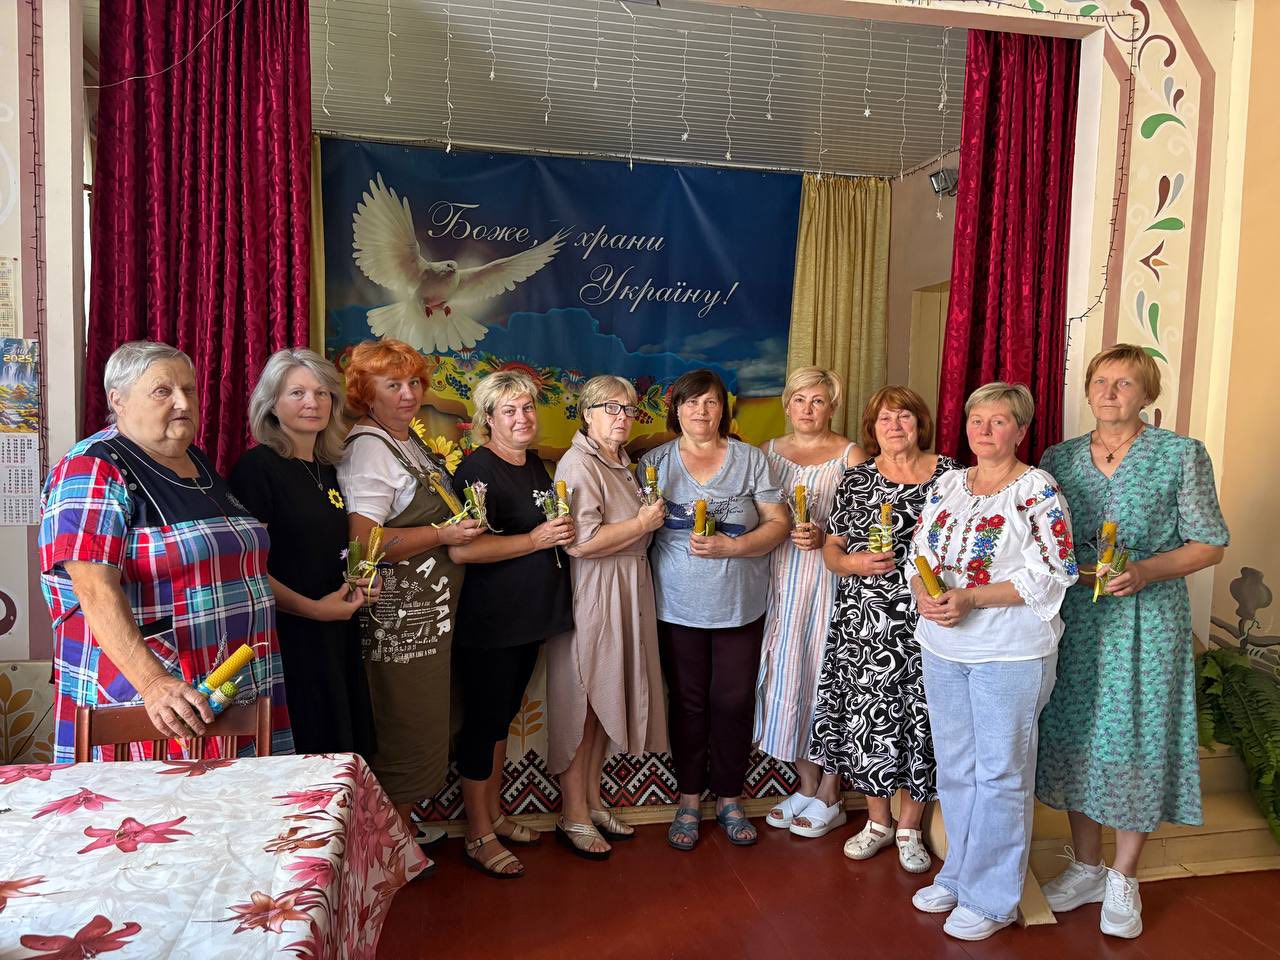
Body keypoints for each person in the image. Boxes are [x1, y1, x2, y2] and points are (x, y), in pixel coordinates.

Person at [1035, 344, 1228, 939]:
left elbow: (1209, 544)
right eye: (1100, 381)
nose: (1109, 392)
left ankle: (1124, 876)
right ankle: (1086, 866)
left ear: (1147, 394)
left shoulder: (1180, 454)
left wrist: (1145, 570)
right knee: (1077, 731)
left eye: (1124, 383)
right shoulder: (1058, 458)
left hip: (1147, 617)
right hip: (1078, 616)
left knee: (1135, 736)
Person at [38, 340, 292, 761]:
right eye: (162, 391)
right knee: (157, 802)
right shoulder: (93, 468)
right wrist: (153, 683)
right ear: (117, 400)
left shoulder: (195, 460)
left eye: (188, 389)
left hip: (232, 681)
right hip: (153, 696)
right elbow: (94, 590)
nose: (183, 402)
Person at [906, 382, 1077, 942]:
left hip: (1011, 653)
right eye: (976, 420)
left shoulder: (1036, 490)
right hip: (943, 647)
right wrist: (923, 592)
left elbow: (1055, 572)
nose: (983, 430)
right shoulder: (948, 484)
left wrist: (973, 598)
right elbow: (919, 553)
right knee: (956, 767)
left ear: (1020, 431)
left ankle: (993, 896)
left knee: (1001, 773)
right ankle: (959, 873)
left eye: (998, 421)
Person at [336, 339, 484, 851]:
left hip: (429, 618)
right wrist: (443, 534)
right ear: (365, 392)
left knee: (426, 725)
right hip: (398, 625)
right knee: (403, 730)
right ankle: (386, 852)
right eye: (392, 385)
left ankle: (397, 836)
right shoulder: (369, 449)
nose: (408, 394)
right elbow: (364, 544)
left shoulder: (403, 439)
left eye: (414, 383)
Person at [809, 386, 961, 868]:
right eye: (884, 419)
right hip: (867, 618)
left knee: (923, 717)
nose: (895, 426)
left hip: (931, 615)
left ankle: (910, 828)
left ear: (921, 423)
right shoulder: (857, 479)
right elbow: (831, 550)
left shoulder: (952, 476)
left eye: (904, 417)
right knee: (870, 717)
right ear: (873, 430)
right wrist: (852, 563)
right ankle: (878, 823)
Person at [639, 369, 790, 852]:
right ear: (676, 409)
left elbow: (778, 523)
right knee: (687, 702)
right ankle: (687, 799)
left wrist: (733, 547)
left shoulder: (751, 460)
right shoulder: (654, 462)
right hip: (676, 606)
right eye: (691, 402)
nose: (701, 411)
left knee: (733, 700)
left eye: (710, 402)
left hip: (740, 605)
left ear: (724, 408)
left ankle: (729, 798)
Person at [448, 370, 575, 878]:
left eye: (527, 408)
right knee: (484, 724)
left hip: (528, 618)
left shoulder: (534, 465)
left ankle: (495, 814)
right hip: (492, 622)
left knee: (501, 720)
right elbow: (464, 549)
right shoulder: (477, 471)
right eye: (509, 411)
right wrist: (534, 540)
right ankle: (477, 832)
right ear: (488, 419)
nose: (522, 418)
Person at [230, 348, 376, 757]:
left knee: (342, 752)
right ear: (271, 404)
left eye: (322, 393)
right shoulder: (257, 469)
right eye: (297, 393)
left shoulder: (329, 468)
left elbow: (332, 549)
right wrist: (314, 610)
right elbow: (248, 570)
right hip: (289, 639)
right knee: (308, 753)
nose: (312, 402)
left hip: (337, 632)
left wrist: (364, 579)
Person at [547, 375, 668, 860]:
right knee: (584, 702)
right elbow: (580, 542)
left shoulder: (622, 463)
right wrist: (641, 523)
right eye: (610, 408)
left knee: (604, 699)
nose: (621, 417)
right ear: (587, 413)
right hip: (596, 589)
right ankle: (572, 812)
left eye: (628, 409)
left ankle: (593, 801)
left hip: (627, 584)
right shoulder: (578, 463)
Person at [754, 367, 866, 839]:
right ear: (787, 404)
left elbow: (867, 523)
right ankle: (807, 784)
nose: (807, 408)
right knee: (787, 671)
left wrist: (827, 536)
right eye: (799, 399)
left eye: (818, 400)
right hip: (780, 577)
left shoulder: (850, 455)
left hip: (829, 580)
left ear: (832, 407)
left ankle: (831, 792)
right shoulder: (767, 452)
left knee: (828, 676)